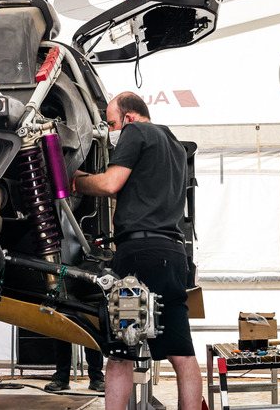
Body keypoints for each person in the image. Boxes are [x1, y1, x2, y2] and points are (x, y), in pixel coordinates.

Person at [70, 92, 201, 410]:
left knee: (120, 355)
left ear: (128, 117)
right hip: (173, 255)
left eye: (112, 123)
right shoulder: (174, 144)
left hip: (138, 257)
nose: (112, 131)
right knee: (182, 354)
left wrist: (76, 181)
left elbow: (110, 184)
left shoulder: (136, 132)